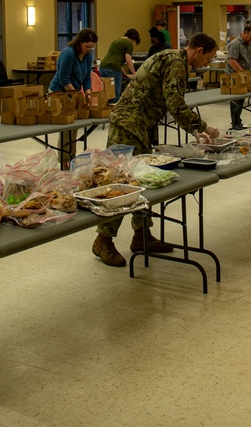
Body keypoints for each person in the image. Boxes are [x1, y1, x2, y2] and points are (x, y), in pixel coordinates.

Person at [92, 33, 221, 267]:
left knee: (143, 181)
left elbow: (169, 101)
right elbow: (175, 102)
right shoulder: (176, 63)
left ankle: (142, 236)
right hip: (128, 124)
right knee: (121, 184)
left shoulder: (174, 58)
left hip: (141, 123)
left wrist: (194, 129)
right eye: (208, 59)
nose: (207, 64)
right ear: (199, 50)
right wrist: (201, 127)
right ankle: (104, 239)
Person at [49, 28, 98, 99]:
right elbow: (64, 80)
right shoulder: (69, 53)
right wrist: (76, 96)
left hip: (73, 93)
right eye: (87, 47)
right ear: (80, 42)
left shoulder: (88, 56)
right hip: (58, 93)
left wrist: (88, 94)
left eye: (92, 48)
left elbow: (87, 78)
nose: (89, 50)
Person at [226, 24, 251, 130]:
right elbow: (232, 61)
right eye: (250, 37)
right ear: (244, 33)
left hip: (245, 75)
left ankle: (238, 121)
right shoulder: (235, 44)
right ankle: (235, 123)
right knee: (235, 99)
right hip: (234, 75)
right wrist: (243, 72)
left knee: (241, 99)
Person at [98, 28, 141, 103]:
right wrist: (135, 74)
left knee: (107, 92)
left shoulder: (116, 41)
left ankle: (106, 110)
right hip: (113, 69)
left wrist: (125, 74)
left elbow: (116, 60)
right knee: (115, 93)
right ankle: (115, 111)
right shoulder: (128, 43)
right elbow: (128, 61)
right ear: (134, 38)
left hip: (102, 67)